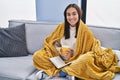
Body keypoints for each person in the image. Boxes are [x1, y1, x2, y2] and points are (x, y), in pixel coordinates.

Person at [33, 3, 120, 80]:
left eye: (74, 14)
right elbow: (52, 43)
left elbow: (90, 51)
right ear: (65, 16)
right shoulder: (61, 27)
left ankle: (58, 73)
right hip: (61, 59)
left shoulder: (85, 31)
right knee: (38, 56)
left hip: (76, 60)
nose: (71, 17)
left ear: (79, 14)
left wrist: (73, 54)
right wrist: (59, 50)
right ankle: (69, 72)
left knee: (86, 59)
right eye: (68, 15)